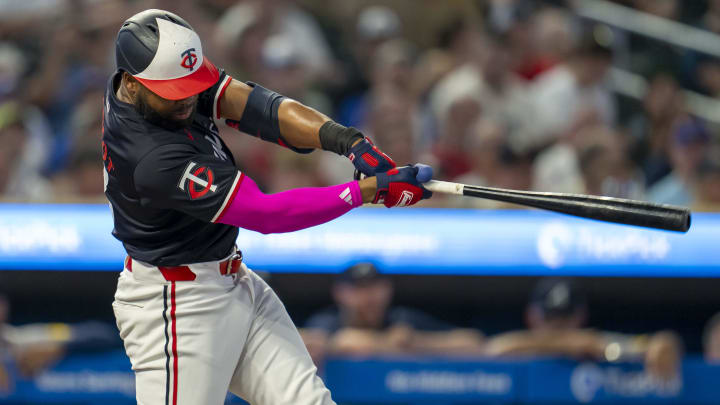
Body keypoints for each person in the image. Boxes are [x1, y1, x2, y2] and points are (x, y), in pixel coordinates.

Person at [103, 9, 433, 405]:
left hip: (232, 279)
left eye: (190, 86)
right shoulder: (151, 158)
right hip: (176, 307)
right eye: (174, 91)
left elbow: (258, 107)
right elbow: (265, 213)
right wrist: (366, 191)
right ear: (131, 83)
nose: (188, 99)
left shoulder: (158, 82)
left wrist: (350, 142)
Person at [484, 277, 682, 381]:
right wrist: (562, 344)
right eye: (551, 318)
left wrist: (663, 342)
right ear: (531, 315)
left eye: (565, 318)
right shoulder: (517, 346)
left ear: (581, 315)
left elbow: (646, 345)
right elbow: (492, 350)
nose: (558, 327)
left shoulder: (591, 342)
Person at [301, 263, 484, 364]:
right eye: (359, 289)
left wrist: (417, 342)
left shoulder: (401, 319)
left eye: (375, 288)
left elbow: (473, 341)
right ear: (340, 293)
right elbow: (308, 339)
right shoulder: (328, 321)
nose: (369, 297)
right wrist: (335, 343)